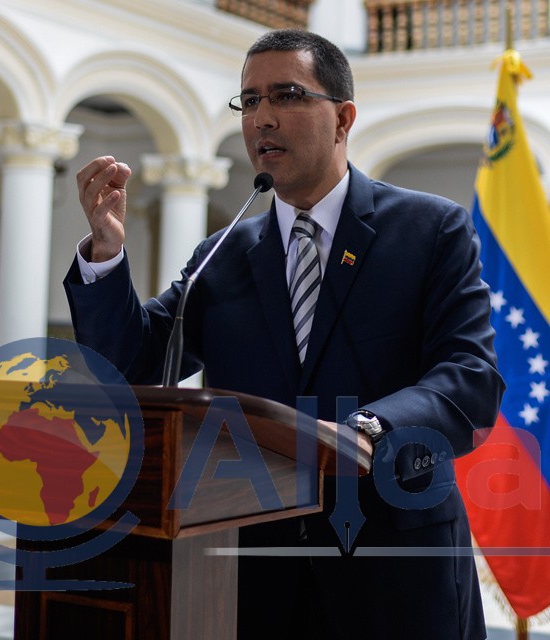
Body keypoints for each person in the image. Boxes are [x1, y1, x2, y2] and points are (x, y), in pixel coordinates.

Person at [64, 29, 503, 640]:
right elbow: (135, 364)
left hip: (394, 567)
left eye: (286, 95)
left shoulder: (430, 229)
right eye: (249, 101)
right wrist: (106, 255)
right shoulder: (223, 253)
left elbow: (470, 379)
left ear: (343, 118)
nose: (262, 118)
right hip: (254, 569)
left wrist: (367, 431)